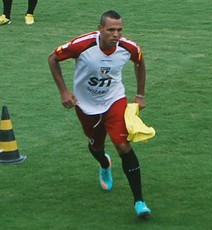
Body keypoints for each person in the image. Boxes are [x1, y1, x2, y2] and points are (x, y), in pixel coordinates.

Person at [48, 10, 151, 218]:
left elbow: (139, 62)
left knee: (123, 144)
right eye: (111, 29)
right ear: (100, 29)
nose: (116, 34)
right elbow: (53, 58)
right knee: (96, 146)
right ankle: (104, 163)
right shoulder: (82, 45)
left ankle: (139, 202)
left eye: (119, 30)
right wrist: (64, 91)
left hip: (114, 99)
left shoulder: (128, 47)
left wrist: (140, 94)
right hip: (85, 104)